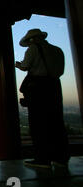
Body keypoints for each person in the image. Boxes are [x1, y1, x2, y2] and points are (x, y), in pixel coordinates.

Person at [16, 28, 70, 169]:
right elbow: (60, 71)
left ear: (32, 40)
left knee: (39, 123)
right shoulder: (57, 50)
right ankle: (61, 157)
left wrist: (18, 65)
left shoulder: (33, 49)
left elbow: (25, 66)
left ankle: (42, 158)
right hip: (54, 86)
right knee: (56, 121)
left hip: (38, 87)